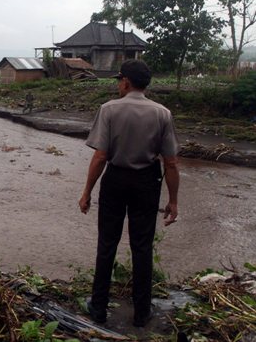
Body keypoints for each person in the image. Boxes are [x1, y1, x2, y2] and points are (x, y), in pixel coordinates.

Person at [78, 59, 180, 328]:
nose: (118, 84)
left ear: (126, 81)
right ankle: (141, 312)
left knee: (107, 244)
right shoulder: (162, 114)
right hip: (147, 182)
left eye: (119, 80)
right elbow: (170, 162)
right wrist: (174, 200)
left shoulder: (109, 109)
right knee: (142, 247)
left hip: (116, 180)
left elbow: (100, 157)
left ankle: (98, 307)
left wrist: (87, 191)